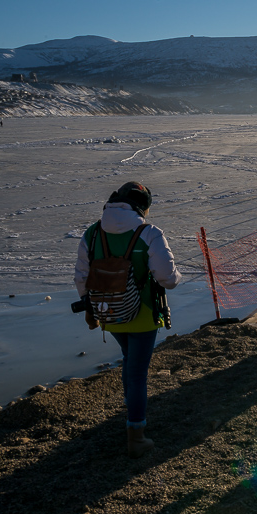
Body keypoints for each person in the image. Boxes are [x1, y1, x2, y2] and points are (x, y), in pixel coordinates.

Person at [74, 181, 182, 458]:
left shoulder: (92, 233)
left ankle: (130, 411)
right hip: (143, 315)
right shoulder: (150, 233)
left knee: (128, 361)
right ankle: (136, 435)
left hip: (108, 313)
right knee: (136, 373)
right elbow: (168, 279)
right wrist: (175, 275)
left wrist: (90, 308)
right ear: (142, 207)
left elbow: (82, 277)